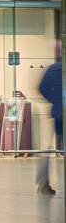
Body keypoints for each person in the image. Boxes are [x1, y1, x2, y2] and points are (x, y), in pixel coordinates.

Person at [38, 44, 62, 196]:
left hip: (57, 113)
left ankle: (43, 182)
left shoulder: (53, 69)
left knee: (49, 148)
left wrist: (54, 101)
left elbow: (41, 88)